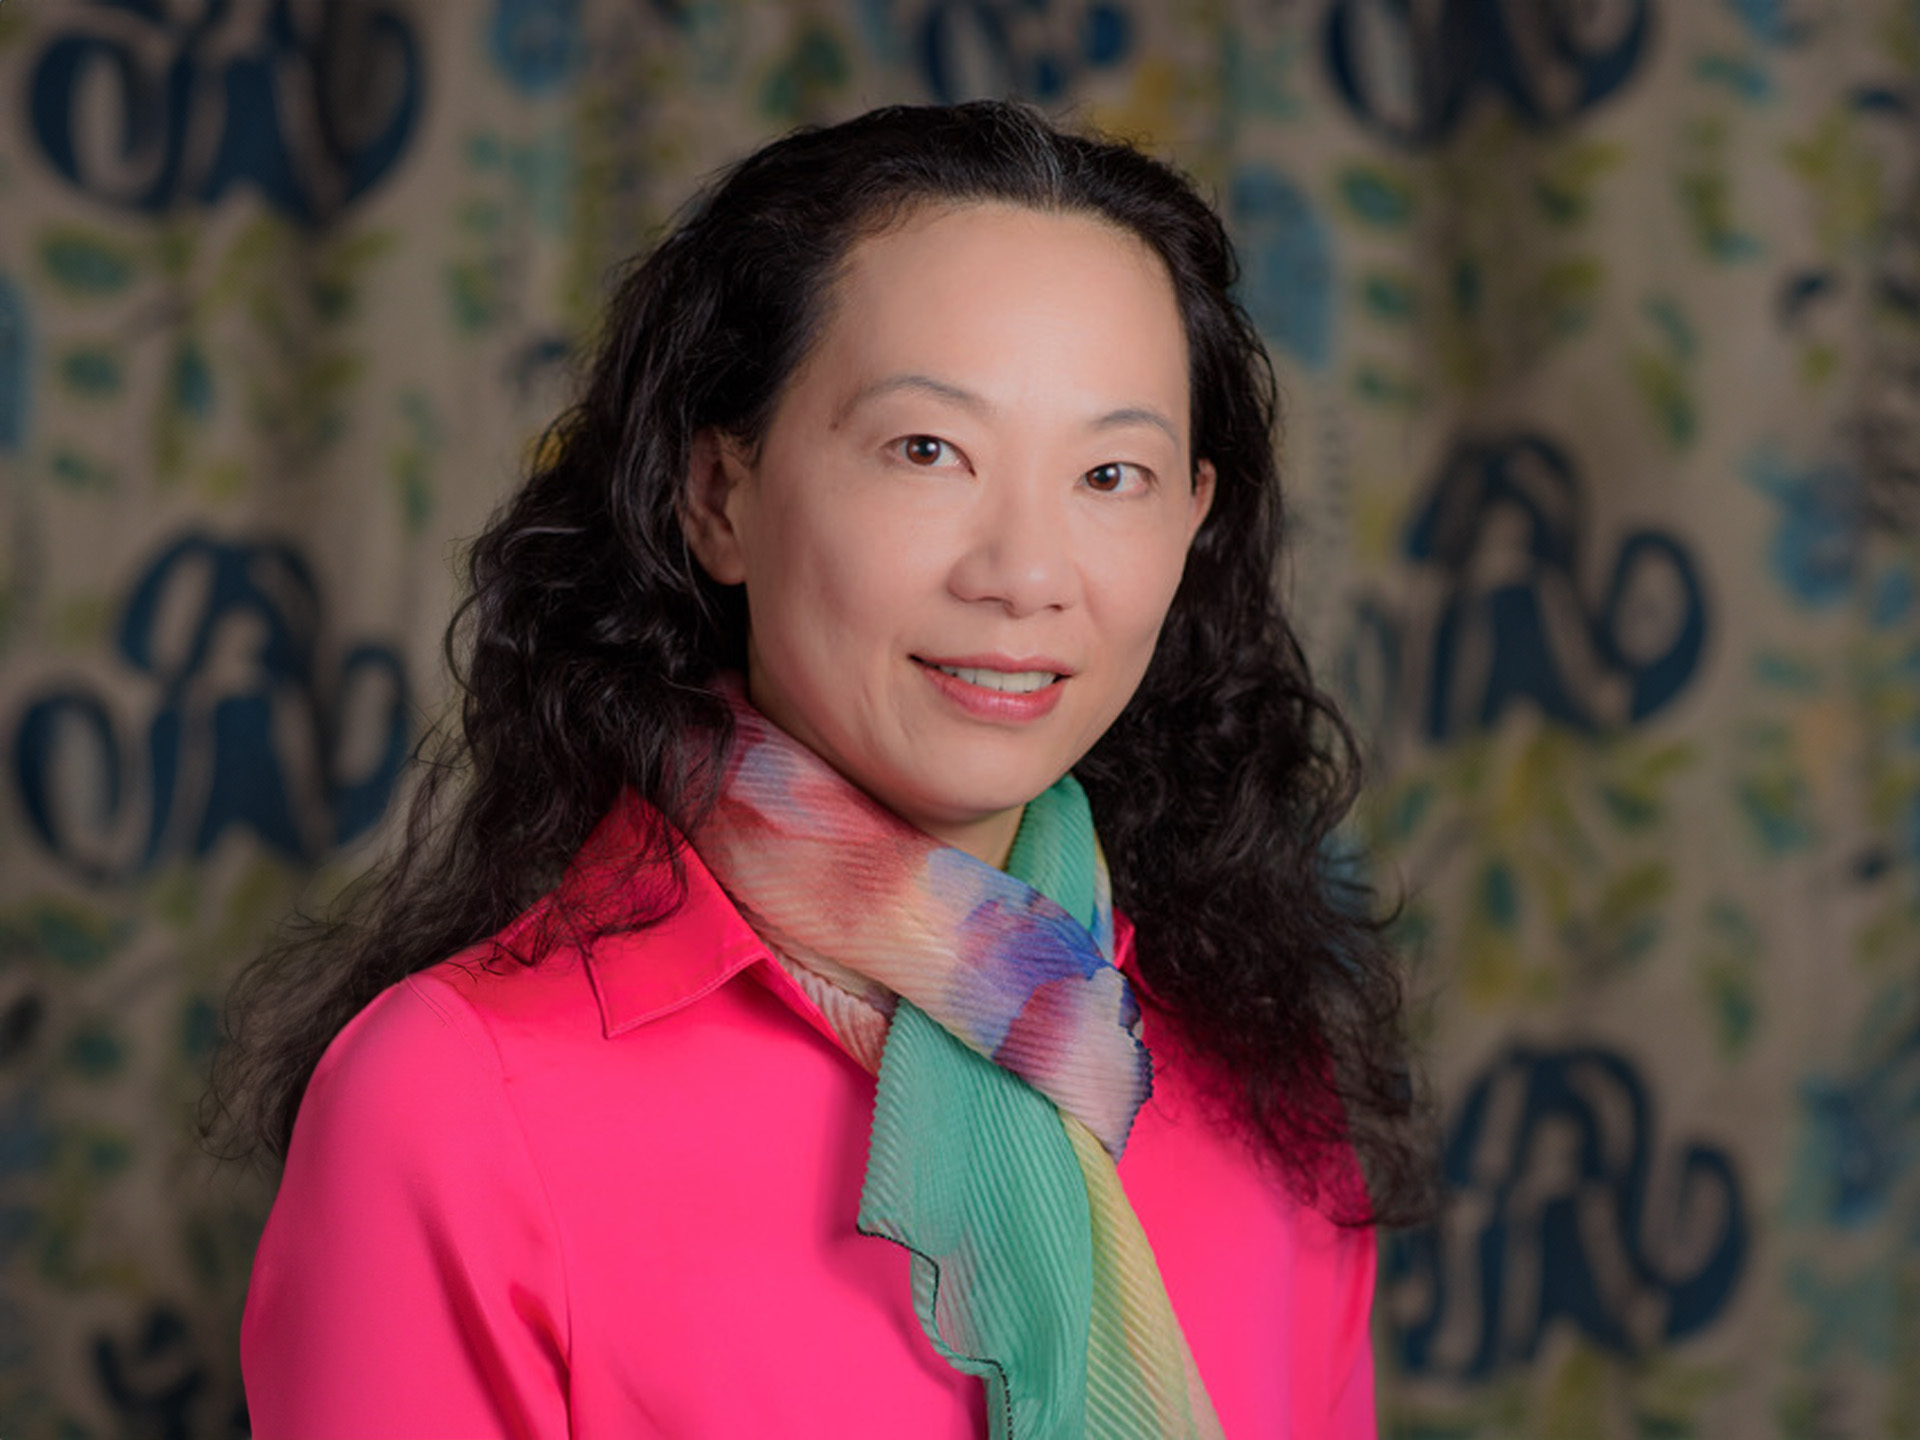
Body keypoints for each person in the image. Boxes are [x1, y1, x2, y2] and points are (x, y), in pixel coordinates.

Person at [212, 100, 1427, 1438]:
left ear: (1194, 519)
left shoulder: (1257, 1082)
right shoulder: (452, 1100)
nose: (1024, 575)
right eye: (928, 452)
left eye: (1112, 474)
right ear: (720, 496)